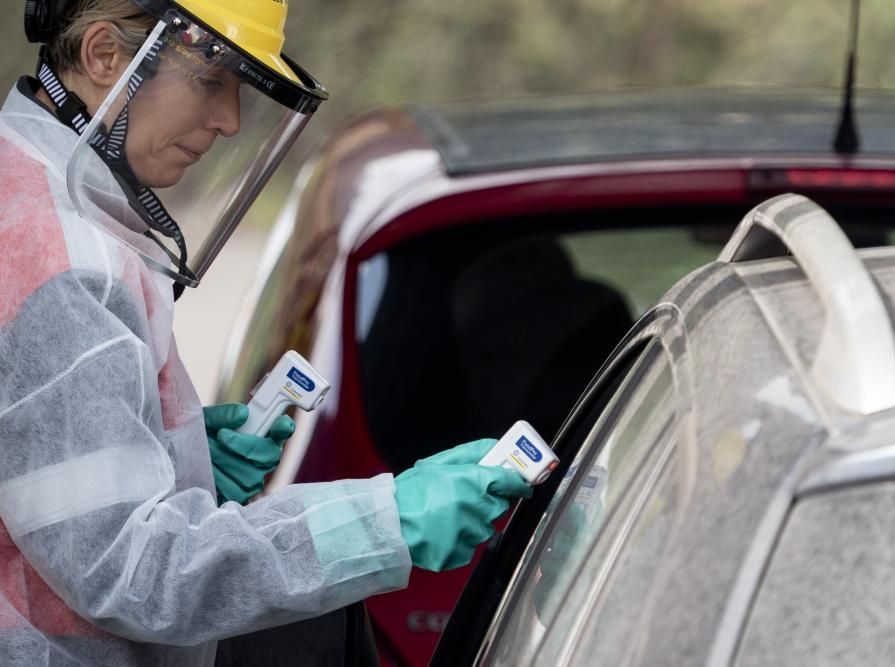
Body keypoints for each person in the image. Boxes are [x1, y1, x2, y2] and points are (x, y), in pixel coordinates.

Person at [0, 0, 531, 664]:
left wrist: (172, 458)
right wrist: (389, 518)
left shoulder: (27, 193)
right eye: (210, 81)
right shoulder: (61, 260)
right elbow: (133, 572)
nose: (229, 120)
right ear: (105, 55)